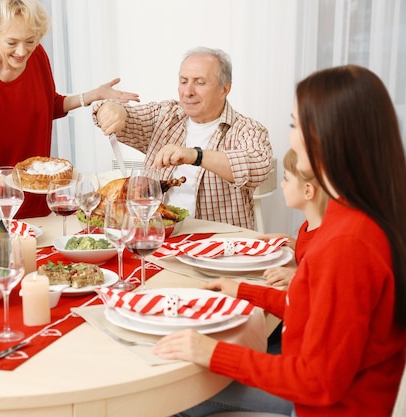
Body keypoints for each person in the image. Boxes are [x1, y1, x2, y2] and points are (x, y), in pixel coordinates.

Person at [152, 65, 406, 416]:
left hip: (321, 405)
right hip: (328, 392)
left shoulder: (348, 244)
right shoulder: (353, 219)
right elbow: (316, 311)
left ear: (327, 136)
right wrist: (240, 289)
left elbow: (316, 381)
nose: (291, 137)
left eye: (295, 125)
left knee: (172, 394)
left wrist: (209, 352)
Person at [0, 0, 139, 219]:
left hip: (40, 194)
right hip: (4, 203)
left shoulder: (36, 56)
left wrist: (93, 95)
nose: (22, 51)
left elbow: (49, 105)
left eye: (30, 40)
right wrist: (6, 184)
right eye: (12, 42)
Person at [93, 46, 271, 230]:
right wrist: (112, 110)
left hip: (217, 243)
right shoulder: (165, 115)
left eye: (200, 82)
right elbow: (120, 114)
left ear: (224, 89)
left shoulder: (248, 129)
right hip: (158, 236)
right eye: (183, 81)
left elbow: (256, 167)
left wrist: (195, 155)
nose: (188, 92)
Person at [260, 148, 328, 287]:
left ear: (307, 190)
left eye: (286, 178)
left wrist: (297, 275)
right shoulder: (309, 225)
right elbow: (309, 256)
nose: (282, 184)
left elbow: (323, 278)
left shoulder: (325, 240)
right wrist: (293, 242)